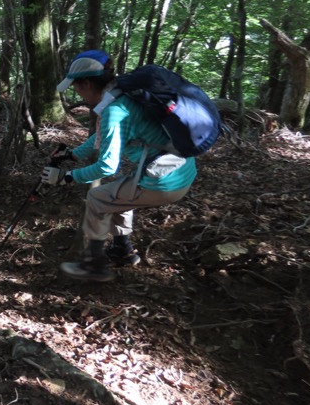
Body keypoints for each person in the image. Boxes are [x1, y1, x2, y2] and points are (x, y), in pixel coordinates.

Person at [41, 50, 197, 282]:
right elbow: (100, 139)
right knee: (118, 194)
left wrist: (66, 177)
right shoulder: (122, 95)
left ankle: (94, 265)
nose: (77, 92)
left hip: (165, 180)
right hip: (181, 170)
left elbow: (106, 167)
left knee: (98, 199)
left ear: (86, 83)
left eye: (75, 86)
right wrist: (71, 155)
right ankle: (123, 250)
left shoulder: (114, 110)